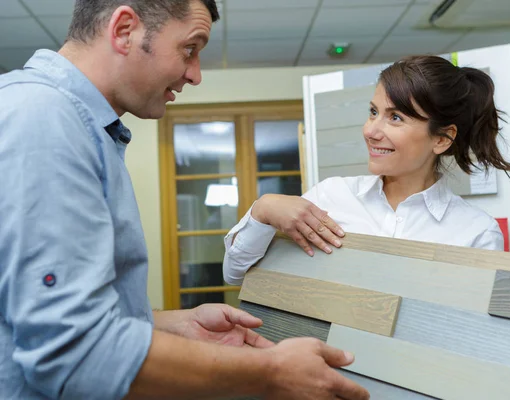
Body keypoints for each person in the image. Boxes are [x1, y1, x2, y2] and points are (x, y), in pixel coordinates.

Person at [0, 1, 371, 399]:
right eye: (190, 49)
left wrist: (172, 325)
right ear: (125, 30)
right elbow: (74, 350)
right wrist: (270, 371)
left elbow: (37, 311)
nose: (194, 74)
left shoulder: (83, 127)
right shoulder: (43, 119)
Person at [223, 55, 510, 343]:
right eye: (373, 112)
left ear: (441, 139)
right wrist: (264, 209)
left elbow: (480, 335)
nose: (371, 130)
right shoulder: (330, 197)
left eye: (396, 118)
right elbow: (238, 275)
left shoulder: (473, 231)